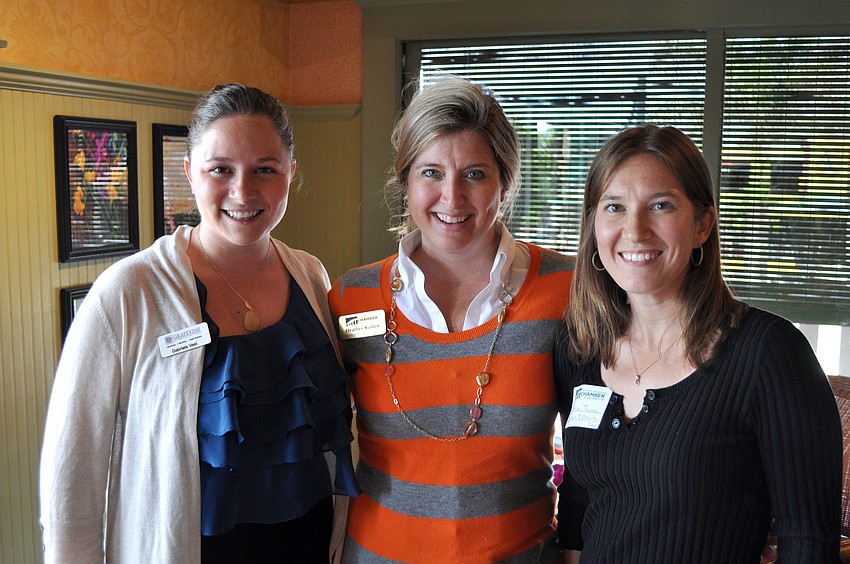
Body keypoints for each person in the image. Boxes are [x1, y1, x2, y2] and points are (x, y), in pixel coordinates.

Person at [40, 83, 359, 563]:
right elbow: (72, 475)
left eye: (264, 170)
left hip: (309, 542)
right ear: (189, 173)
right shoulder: (128, 294)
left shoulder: (310, 275)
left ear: (292, 171)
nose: (242, 191)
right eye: (220, 170)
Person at [554, 124, 842, 563]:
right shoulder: (581, 348)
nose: (635, 230)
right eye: (614, 207)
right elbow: (577, 509)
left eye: (661, 205)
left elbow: (808, 545)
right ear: (594, 225)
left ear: (704, 224)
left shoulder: (769, 353)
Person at [328, 75, 574, 562]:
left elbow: (600, 454)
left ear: (505, 181)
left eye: (476, 174)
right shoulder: (350, 297)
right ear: (405, 179)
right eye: (432, 173)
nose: (452, 197)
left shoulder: (566, 289)